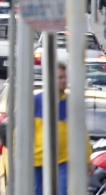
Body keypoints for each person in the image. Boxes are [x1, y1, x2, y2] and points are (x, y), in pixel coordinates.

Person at [33, 63, 95, 195]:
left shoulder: (71, 103)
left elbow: (82, 134)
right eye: (59, 77)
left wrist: (88, 160)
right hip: (38, 160)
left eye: (65, 77)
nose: (63, 81)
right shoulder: (37, 101)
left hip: (63, 160)